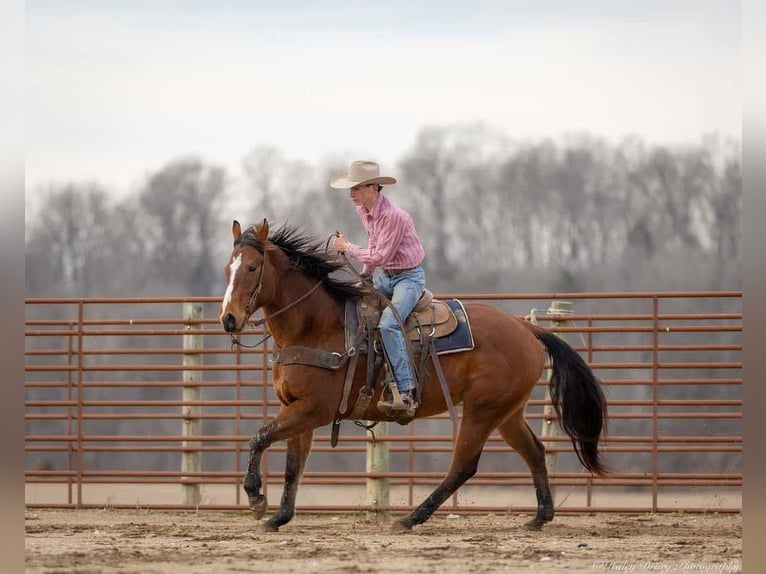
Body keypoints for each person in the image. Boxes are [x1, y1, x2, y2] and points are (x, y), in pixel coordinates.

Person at [330, 160, 426, 414]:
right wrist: (365, 278)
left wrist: (347, 248)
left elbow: (380, 255)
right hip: (385, 276)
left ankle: (405, 391)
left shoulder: (394, 217)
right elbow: (374, 247)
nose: (351, 194)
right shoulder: (365, 210)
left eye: (357, 188)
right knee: (354, 307)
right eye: (351, 189)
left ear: (373, 187)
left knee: (389, 324)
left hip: (408, 278)